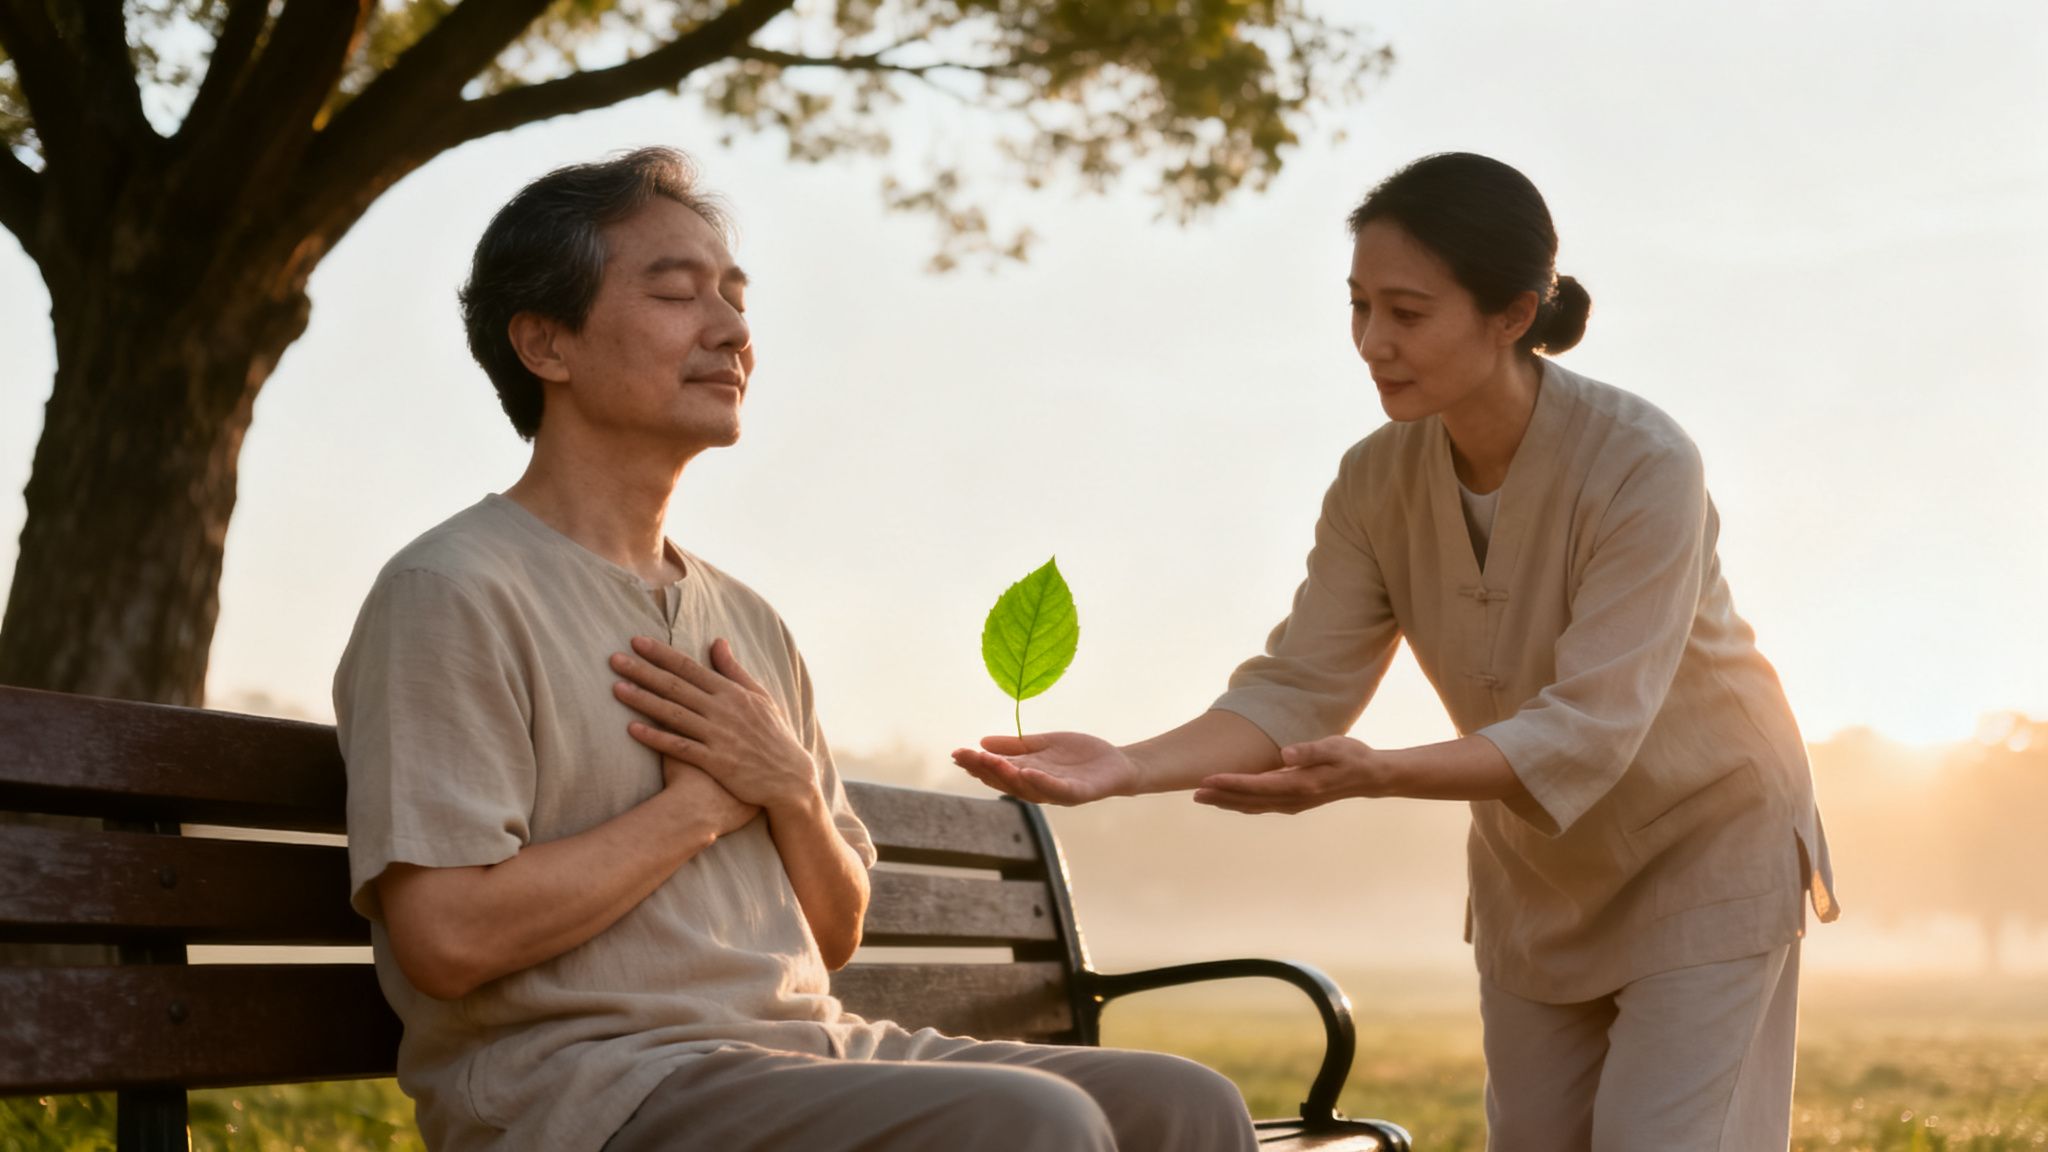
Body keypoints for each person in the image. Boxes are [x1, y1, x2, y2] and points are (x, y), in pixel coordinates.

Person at [334, 147, 1257, 1152]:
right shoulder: (455, 590)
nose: (729, 330)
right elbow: (449, 939)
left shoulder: (747, 618)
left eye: (733, 297)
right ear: (545, 344)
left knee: (1186, 1104)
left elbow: (834, 929)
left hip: (807, 1049)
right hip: (597, 1087)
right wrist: (701, 806)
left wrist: (788, 788)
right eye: (677, 295)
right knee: (1028, 1124)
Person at [955, 151, 1839, 1152]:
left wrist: (1376, 775)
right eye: (1358, 306)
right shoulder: (1372, 481)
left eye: (1407, 313)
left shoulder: (1642, 462)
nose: (1373, 342)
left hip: (1707, 843)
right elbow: (1297, 687)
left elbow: (1588, 727)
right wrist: (1127, 766)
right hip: (1537, 878)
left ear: (1510, 314)